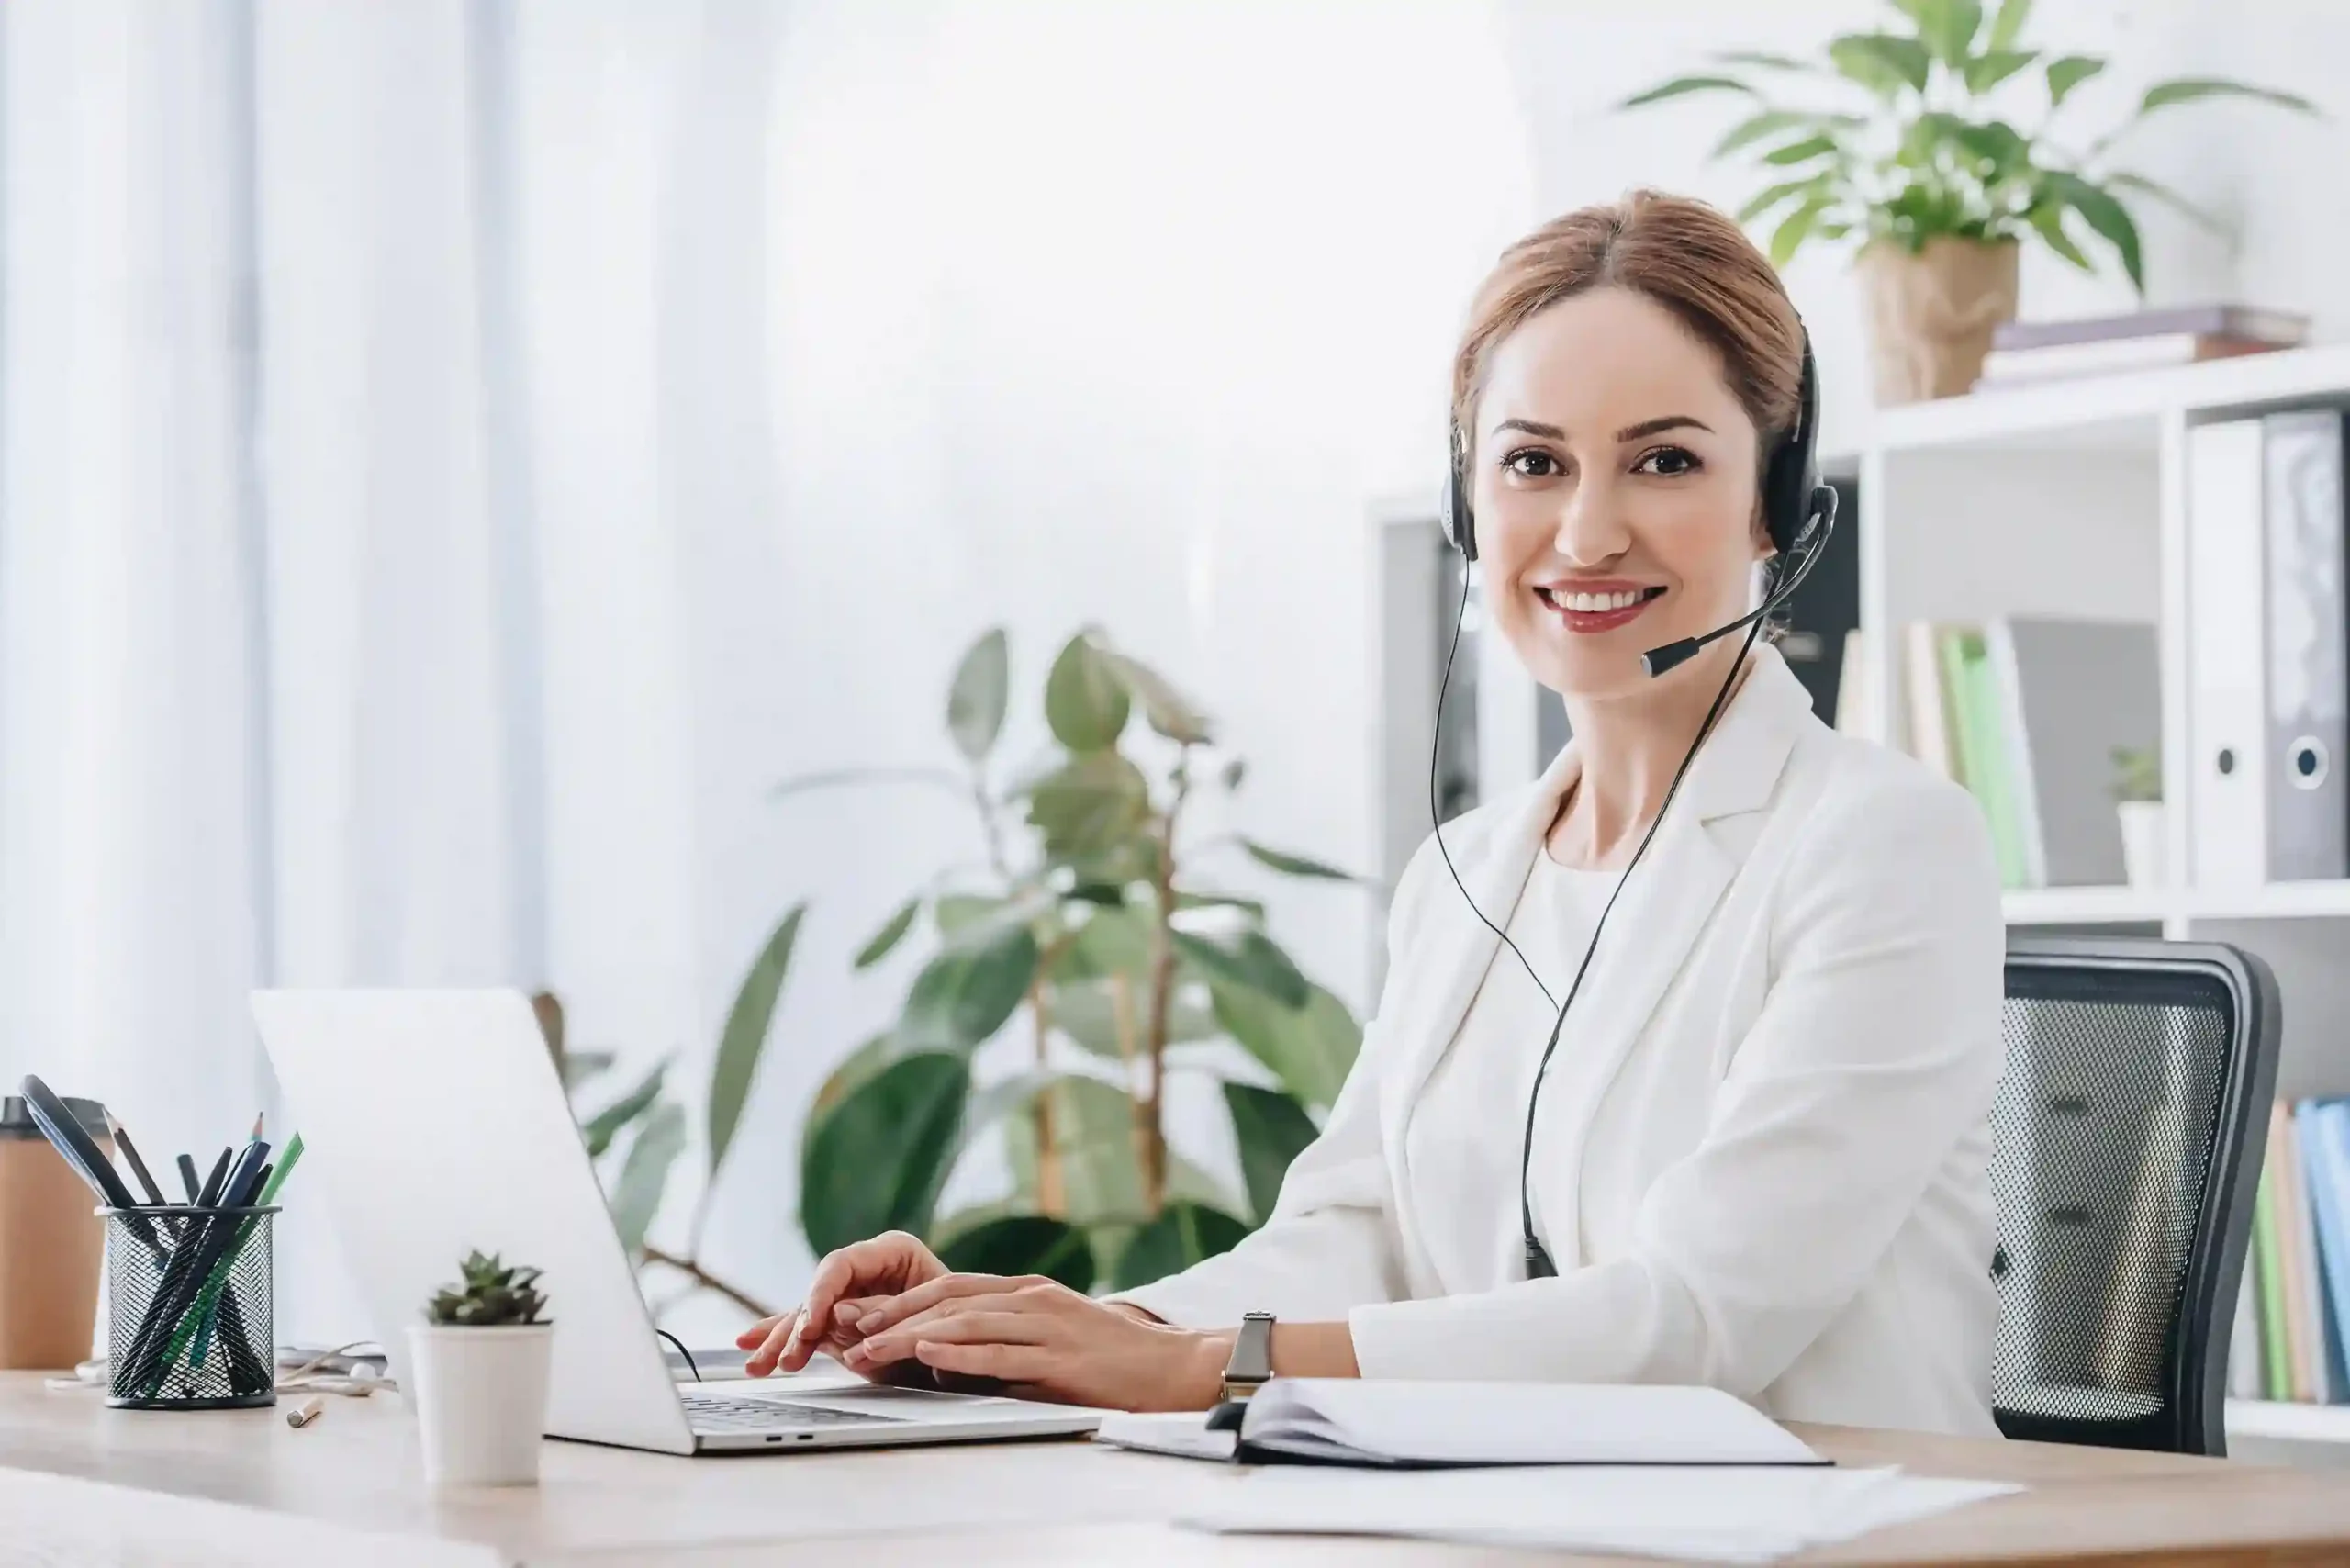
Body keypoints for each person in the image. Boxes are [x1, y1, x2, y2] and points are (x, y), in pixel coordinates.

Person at [738, 189, 2007, 1437]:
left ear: (1776, 501)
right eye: (1533, 463)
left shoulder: (1883, 845)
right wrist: (1030, 1335)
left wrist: (1195, 1371)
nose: (1587, 528)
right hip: (1535, 1528)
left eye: (1664, 461)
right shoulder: (1471, 870)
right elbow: (1350, 1244)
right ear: (1470, 505)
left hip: (1834, 1531)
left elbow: (1694, 1318)